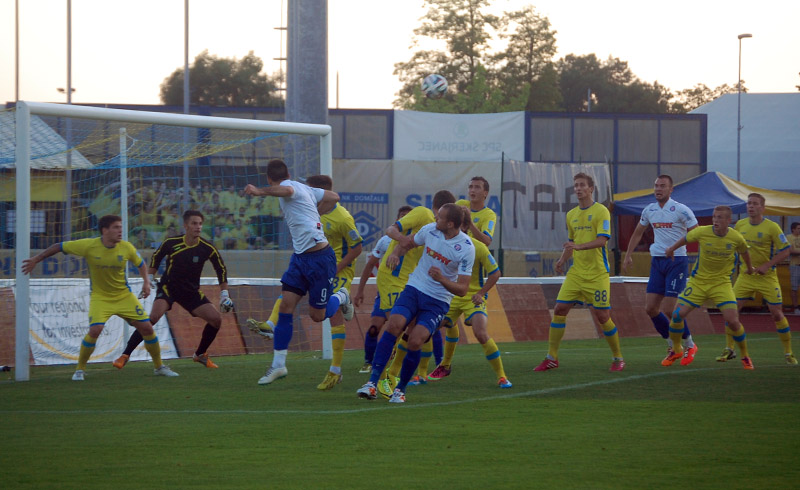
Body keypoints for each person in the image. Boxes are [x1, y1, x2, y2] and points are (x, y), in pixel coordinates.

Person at [21, 214, 178, 380]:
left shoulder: (126, 247)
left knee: (147, 328)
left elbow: (141, 264)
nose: (120, 231)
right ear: (105, 230)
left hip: (124, 296)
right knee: (95, 329)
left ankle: (159, 367)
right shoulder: (89, 245)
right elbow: (58, 246)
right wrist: (36, 259)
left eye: (120, 227)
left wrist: (146, 282)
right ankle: (80, 370)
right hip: (100, 297)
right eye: (116, 227)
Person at [243, 159, 352, 386]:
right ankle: (279, 364)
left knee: (317, 316)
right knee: (286, 305)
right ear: (289, 171)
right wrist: (315, 208)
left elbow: (286, 189)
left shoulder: (291, 188)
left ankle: (342, 296)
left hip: (321, 259)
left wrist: (260, 192)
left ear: (268, 179)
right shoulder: (307, 189)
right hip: (300, 258)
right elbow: (334, 197)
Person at [357, 203, 475, 403]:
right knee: (394, 325)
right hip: (414, 289)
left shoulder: (466, 248)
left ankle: (400, 390)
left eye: (440, 218)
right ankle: (372, 383)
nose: (435, 219)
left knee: (415, 340)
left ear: (451, 223)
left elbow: (463, 289)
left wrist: (442, 280)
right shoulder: (430, 230)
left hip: (438, 301)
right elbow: (408, 243)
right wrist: (395, 253)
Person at [113, 210, 233, 370]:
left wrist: (224, 294)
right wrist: (148, 279)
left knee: (216, 320)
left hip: (191, 292)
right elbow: (157, 256)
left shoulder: (207, 247)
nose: (198, 227)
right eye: (194, 223)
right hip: (168, 288)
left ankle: (200, 354)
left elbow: (221, 268)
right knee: (153, 317)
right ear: (186, 226)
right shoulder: (172, 243)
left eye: (200, 224)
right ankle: (125, 355)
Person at [534, 173, 626, 372]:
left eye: (582, 185)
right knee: (559, 309)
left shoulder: (601, 211)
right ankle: (552, 358)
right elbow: (571, 244)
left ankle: (618, 358)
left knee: (602, 316)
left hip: (597, 274)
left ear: (591, 188)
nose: (578, 188)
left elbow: (602, 240)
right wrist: (562, 260)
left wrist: (579, 247)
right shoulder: (571, 214)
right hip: (576, 273)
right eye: (575, 185)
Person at [372, 190, 456, 398]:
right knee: (396, 326)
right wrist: (400, 245)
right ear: (439, 211)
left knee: (414, 332)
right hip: (394, 277)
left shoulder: (446, 235)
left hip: (412, 282)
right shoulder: (423, 215)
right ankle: (380, 380)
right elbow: (391, 229)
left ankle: (391, 376)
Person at [425, 207, 511, 388]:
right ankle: (430, 371)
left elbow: (495, 273)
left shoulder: (477, 247)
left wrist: (480, 293)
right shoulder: (443, 243)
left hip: (473, 298)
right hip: (452, 296)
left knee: (480, 333)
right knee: (427, 329)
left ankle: (502, 376)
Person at [665, 205, 756, 369]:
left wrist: (749, 268)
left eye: (720, 217)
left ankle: (745, 356)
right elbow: (686, 238)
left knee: (733, 321)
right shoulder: (702, 232)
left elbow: (744, 252)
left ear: (729, 220)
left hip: (721, 284)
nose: (715, 220)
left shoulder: (736, 238)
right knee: (677, 314)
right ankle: (676, 349)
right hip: (698, 282)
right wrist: (672, 249)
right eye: (714, 217)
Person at [622, 175, 699, 366]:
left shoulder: (681, 210)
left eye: (663, 186)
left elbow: (697, 233)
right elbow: (638, 231)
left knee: (670, 309)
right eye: (656, 185)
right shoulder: (650, 210)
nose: (658, 189)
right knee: (650, 308)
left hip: (677, 261)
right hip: (657, 261)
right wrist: (628, 254)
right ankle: (672, 347)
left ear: (671, 190)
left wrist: (686, 252)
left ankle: (689, 345)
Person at [719, 194, 795, 364]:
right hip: (746, 276)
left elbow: (785, 251)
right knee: (731, 312)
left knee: (776, 314)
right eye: (749, 203)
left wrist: (767, 265)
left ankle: (788, 352)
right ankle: (729, 349)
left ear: (762, 207)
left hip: (767, 277)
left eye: (754, 204)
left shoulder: (772, 227)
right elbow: (734, 245)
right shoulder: (740, 225)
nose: (750, 206)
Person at [304, 174, 363, 390]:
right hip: (318, 269)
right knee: (314, 310)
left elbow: (357, 247)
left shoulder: (343, 218)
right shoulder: (311, 213)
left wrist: (338, 267)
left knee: (332, 313)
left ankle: (335, 370)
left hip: (339, 271)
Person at [353, 205, 412, 374]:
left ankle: (399, 363)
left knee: (402, 329)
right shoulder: (386, 241)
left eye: (408, 216)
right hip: (385, 292)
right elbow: (370, 265)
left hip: (406, 292)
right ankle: (368, 362)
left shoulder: (417, 240)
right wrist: (360, 290)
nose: (404, 219)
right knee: (374, 328)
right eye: (402, 216)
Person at [455, 176, 496, 247]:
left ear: (485, 193)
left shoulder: (489, 214)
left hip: (474, 255)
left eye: (477, 187)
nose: (472, 190)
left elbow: (487, 241)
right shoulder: (460, 204)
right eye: (470, 187)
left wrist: (469, 223)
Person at [789, 222, 800, 314]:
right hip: (795, 265)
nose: (799, 230)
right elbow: (790, 250)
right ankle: (795, 307)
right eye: (798, 228)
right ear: (793, 229)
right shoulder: (789, 237)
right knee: (794, 287)